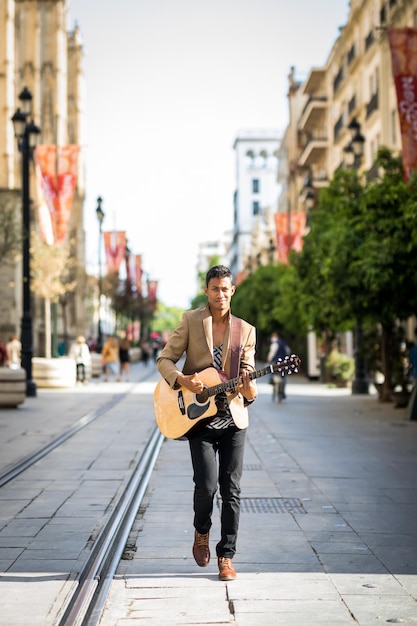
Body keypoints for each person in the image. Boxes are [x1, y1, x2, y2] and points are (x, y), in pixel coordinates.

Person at [157, 265, 257, 581]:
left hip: (233, 419)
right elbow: (164, 360)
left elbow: (249, 382)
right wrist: (184, 380)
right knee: (207, 486)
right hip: (198, 422)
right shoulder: (190, 321)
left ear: (232, 291)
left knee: (232, 490)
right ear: (207, 290)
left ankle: (226, 556)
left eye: (226, 289)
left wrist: (247, 386)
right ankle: (202, 531)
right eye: (215, 288)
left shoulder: (246, 330)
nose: (221, 294)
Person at [267, 331, 290, 399]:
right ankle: (282, 392)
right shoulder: (283, 343)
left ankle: (271, 381)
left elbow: (272, 353)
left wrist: (269, 359)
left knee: (270, 371)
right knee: (283, 377)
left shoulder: (275, 344)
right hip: (283, 363)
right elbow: (288, 351)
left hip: (276, 362)